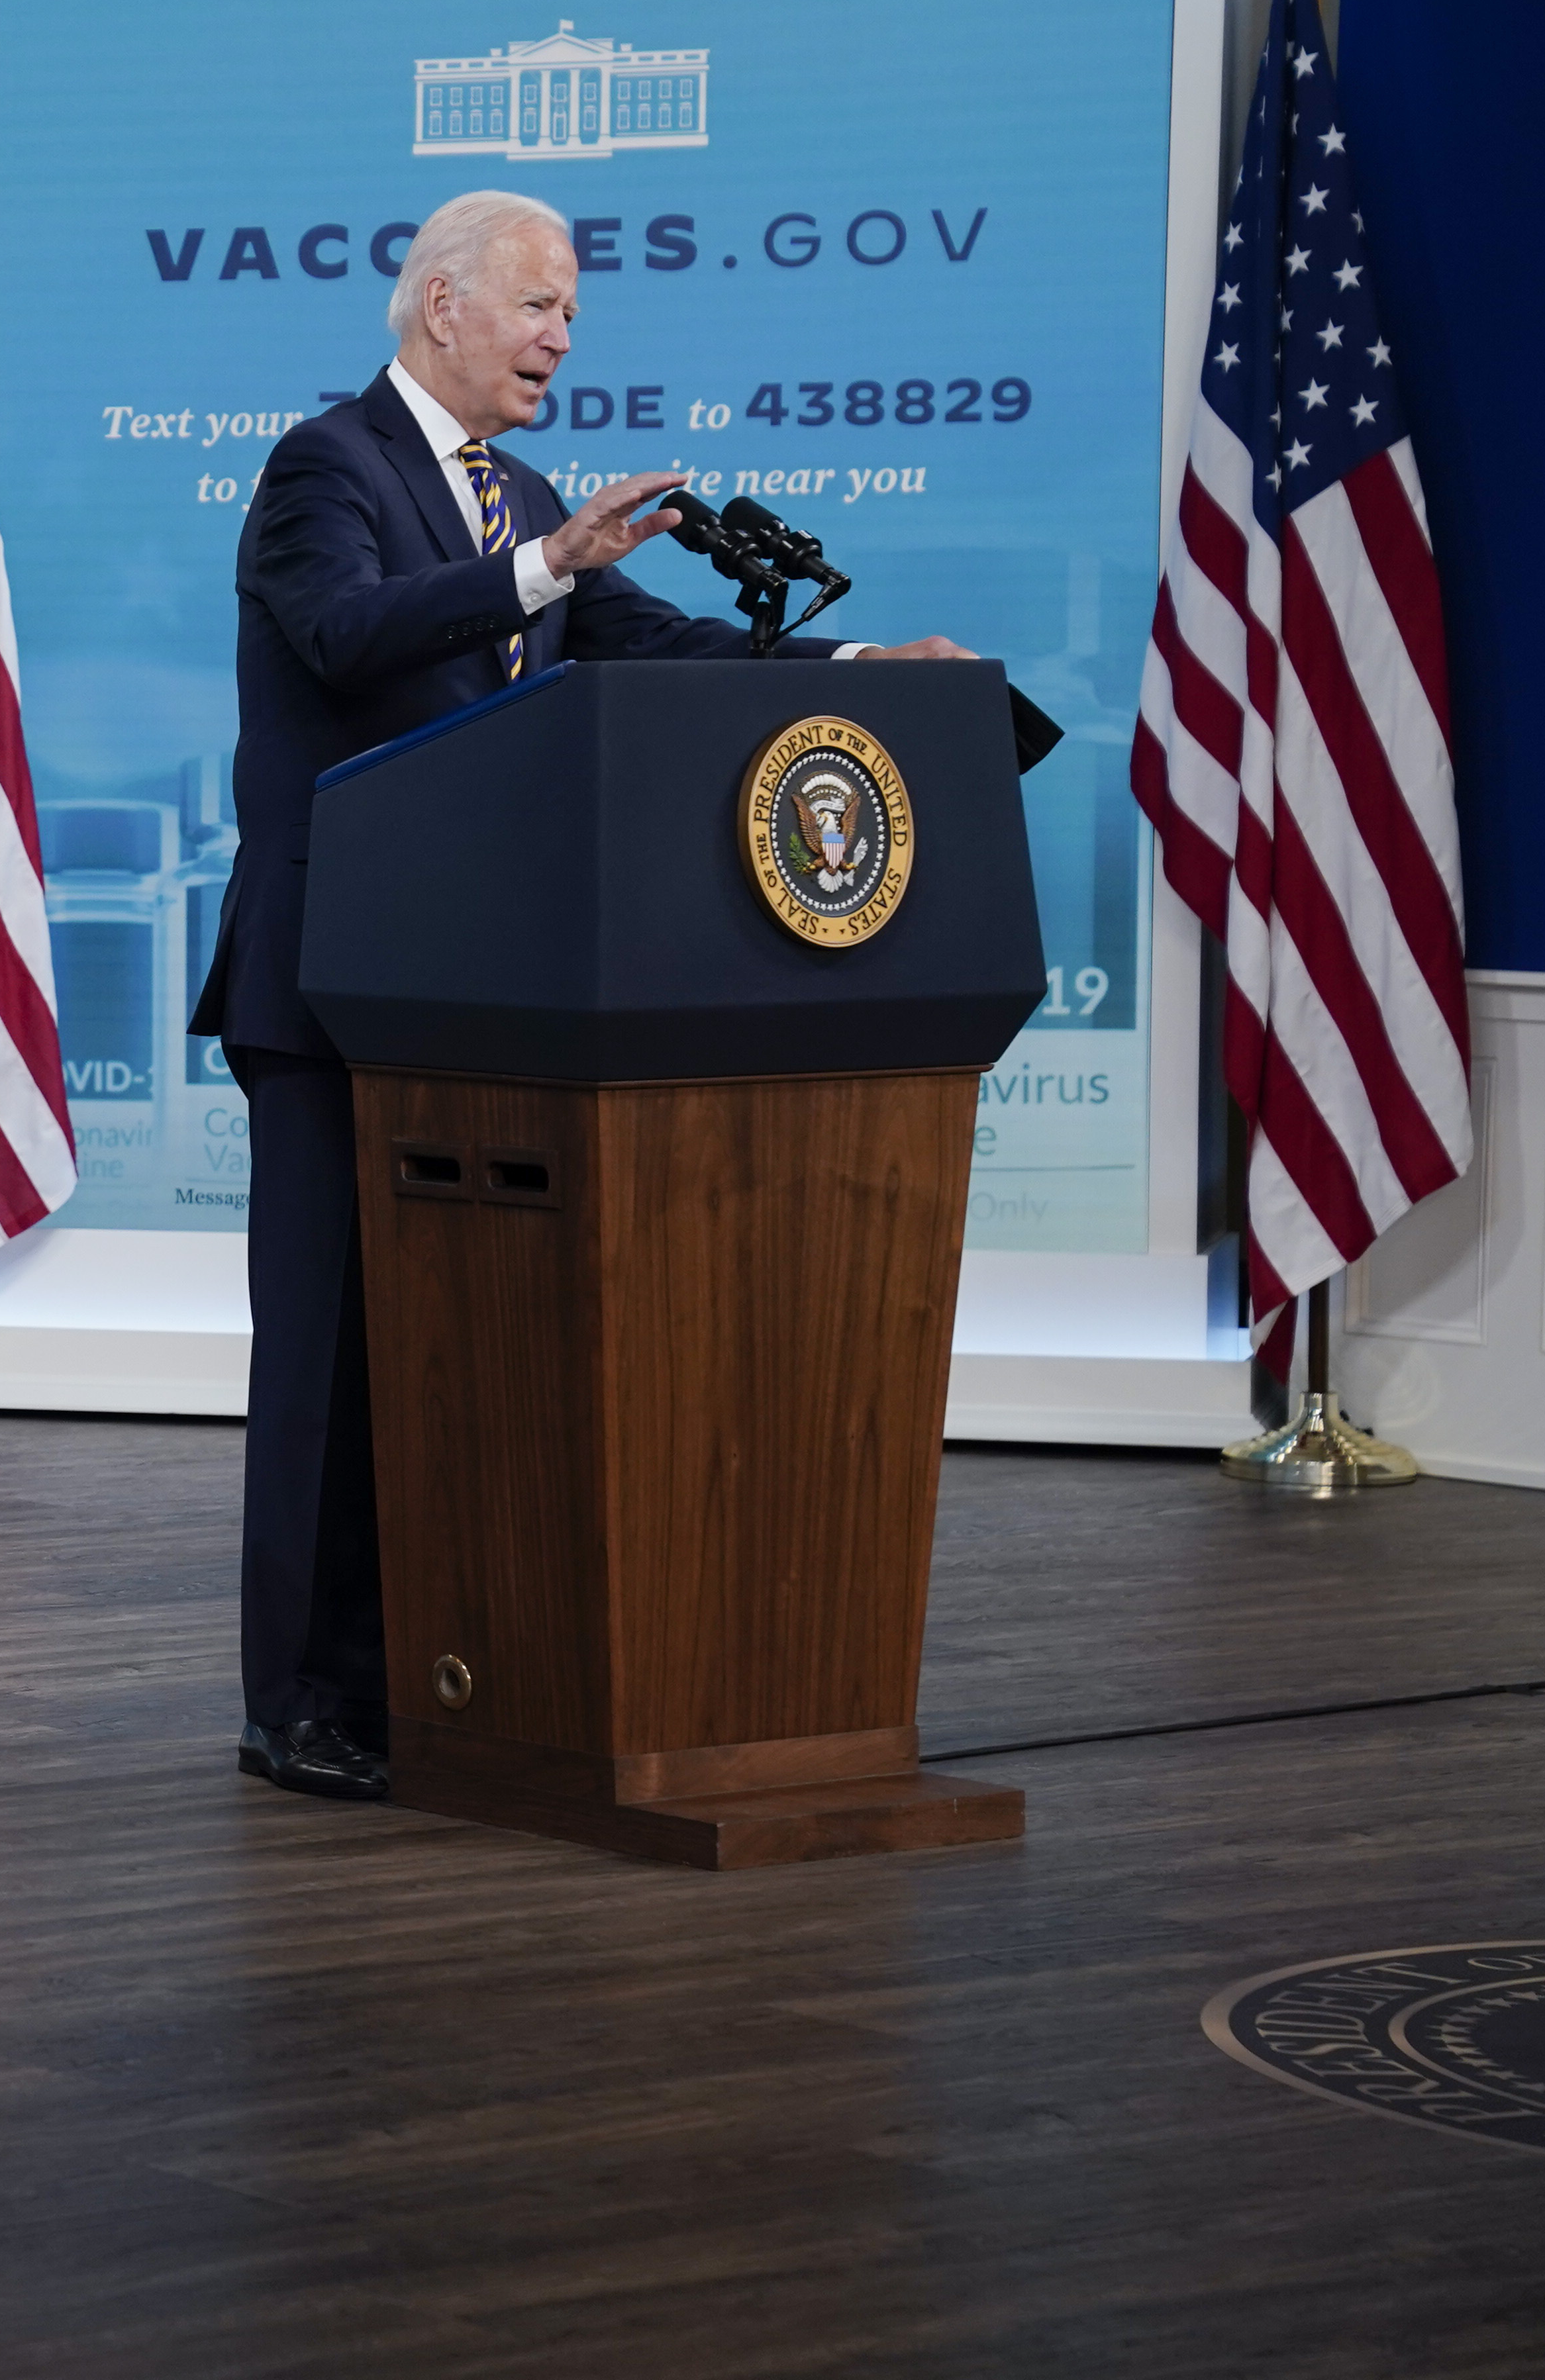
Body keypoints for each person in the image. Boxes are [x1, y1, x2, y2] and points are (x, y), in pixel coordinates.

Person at [190, 188, 975, 1803]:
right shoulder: (322, 469)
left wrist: (847, 676)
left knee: (451, 1363)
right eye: (539, 306)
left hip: (479, 1003)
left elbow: (640, 641)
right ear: (439, 306)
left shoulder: (526, 496)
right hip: (333, 988)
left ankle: (437, 1678)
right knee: (332, 1366)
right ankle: (299, 1700)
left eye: (571, 314)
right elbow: (344, 638)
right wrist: (540, 562)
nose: (561, 336)